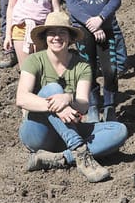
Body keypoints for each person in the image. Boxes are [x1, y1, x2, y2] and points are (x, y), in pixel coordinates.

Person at [16, 11, 127, 183]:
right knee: (52, 88)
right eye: (52, 33)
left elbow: (82, 106)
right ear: (45, 37)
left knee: (119, 130)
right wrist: (57, 106)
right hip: (38, 132)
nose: (56, 37)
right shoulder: (34, 60)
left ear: (70, 37)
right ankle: (80, 151)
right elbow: (22, 99)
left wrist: (67, 99)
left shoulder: (82, 66)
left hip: (68, 129)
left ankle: (60, 158)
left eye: (62, 32)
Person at [64, 0, 124, 122]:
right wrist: (92, 25)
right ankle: (91, 105)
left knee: (111, 69)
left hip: (106, 27)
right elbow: (72, 3)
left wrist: (101, 18)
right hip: (83, 30)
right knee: (87, 68)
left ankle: (109, 105)